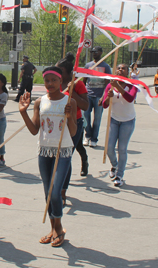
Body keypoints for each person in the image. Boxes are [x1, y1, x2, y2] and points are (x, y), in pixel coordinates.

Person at [19, 66, 77, 248]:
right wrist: (23, 112)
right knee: (47, 193)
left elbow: (73, 132)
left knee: (55, 191)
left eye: (54, 80)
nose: (50, 84)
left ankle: (59, 228)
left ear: (61, 82)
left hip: (63, 151)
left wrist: (68, 117)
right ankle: (53, 229)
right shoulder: (39, 102)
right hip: (44, 152)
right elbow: (34, 130)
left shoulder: (69, 102)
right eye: (47, 80)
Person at [56, 53, 89, 205]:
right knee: (57, 157)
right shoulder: (55, 82)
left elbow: (85, 105)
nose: (57, 74)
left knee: (66, 157)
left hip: (74, 123)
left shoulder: (78, 84)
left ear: (68, 72)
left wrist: (73, 91)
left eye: (60, 71)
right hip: (56, 123)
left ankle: (62, 192)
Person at [102, 63, 137, 187]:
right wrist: (108, 97)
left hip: (128, 121)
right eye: (118, 68)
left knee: (122, 148)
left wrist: (118, 86)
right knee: (109, 148)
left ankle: (119, 175)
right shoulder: (110, 86)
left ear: (127, 72)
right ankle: (115, 165)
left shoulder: (132, 84)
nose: (120, 70)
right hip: (114, 120)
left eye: (123, 68)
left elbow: (130, 98)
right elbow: (105, 105)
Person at [83, 46, 111, 147]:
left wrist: (104, 96)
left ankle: (94, 139)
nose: (94, 53)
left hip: (99, 95)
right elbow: (84, 80)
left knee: (97, 119)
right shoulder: (88, 65)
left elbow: (108, 84)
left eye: (96, 51)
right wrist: (82, 93)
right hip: (88, 94)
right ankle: (88, 135)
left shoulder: (106, 67)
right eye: (92, 52)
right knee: (85, 116)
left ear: (101, 52)